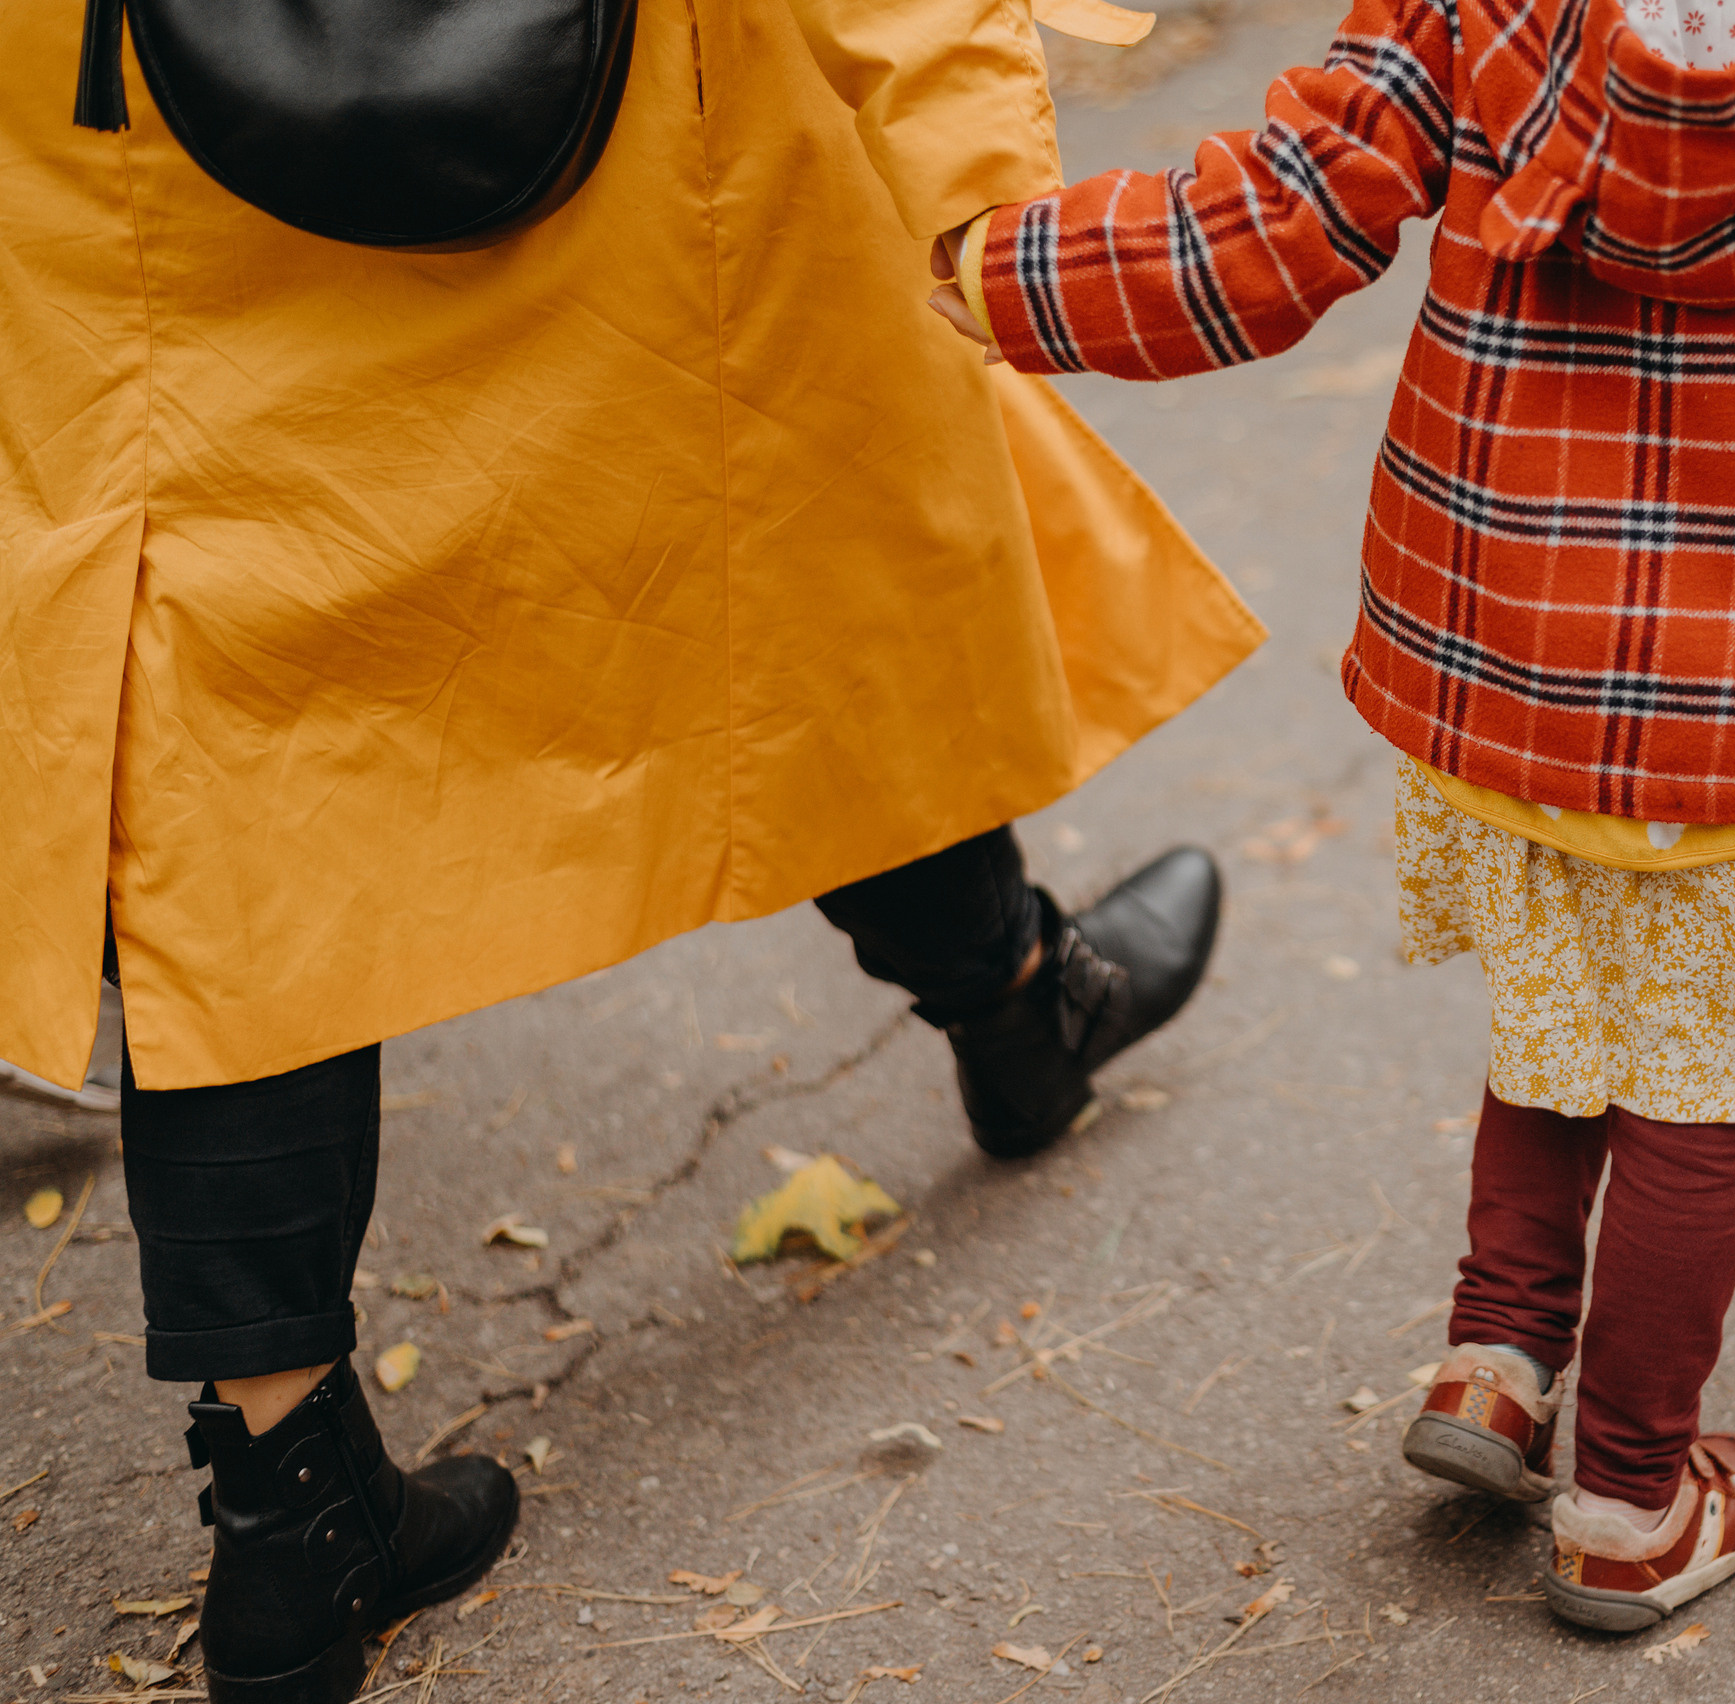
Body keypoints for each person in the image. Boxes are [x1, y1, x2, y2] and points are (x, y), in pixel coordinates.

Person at [928, 0, 1735, 1631]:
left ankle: (1497, 1362)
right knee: (1699, 1081)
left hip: (1497, 633)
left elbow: (1277, 214)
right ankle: (1631, 1499)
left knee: (1562, 993)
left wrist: (994, 267)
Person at [0, 0, 1262, 1696]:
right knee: (795, 558)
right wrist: (986, 204)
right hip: (630, 168)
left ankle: (294, 1518)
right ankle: (1020, 1006)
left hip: (130, 172)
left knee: (231, 800)